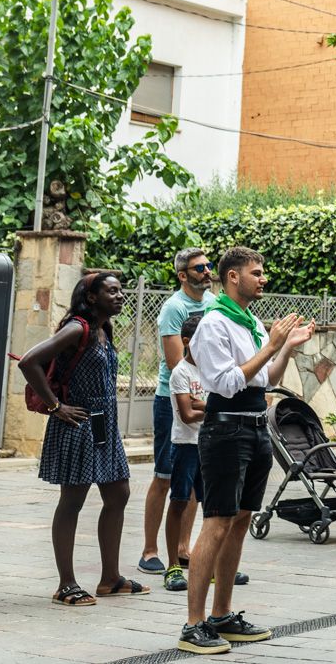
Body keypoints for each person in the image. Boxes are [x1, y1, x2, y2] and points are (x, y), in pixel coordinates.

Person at [179, 247, 313, 654]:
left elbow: (265, 379)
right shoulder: (214, 323)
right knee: (217, 521)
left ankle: (222, 614)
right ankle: (193, 624)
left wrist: (286, 345)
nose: (263, 278)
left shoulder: (249, 320)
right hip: (225, 429)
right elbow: (224, 382)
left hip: (255, 427)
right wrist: (270, 346)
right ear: (232, 277)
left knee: (240, 520)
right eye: (256, 272)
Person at [19, 271, 146, 606]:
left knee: (118, 491)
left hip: (104, 424)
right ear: (92, 297)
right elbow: (29, 362)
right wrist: (55, 405)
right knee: (72, 500)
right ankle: (66, 584)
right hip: (77, 422)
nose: (119, 296)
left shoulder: (104, 329)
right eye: (111, 291)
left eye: (121, 290)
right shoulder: (79, 328)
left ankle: (111, 579)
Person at [139, 247, 212, 576]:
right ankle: (150, 549)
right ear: (183, 275)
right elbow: (175, 362)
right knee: (165, 475)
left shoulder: (212, 304)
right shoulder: (173, 308)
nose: (207, 271)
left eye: (209, 265)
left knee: (194, 477)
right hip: (174, 398)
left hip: (205, 395)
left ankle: (183, 548)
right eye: (200, 268)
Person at [164, 315, 208, 593]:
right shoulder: (181, 372)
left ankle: (207, 563)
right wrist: (210, 406)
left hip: (208, 445)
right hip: (185, 445)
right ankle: (172, 565)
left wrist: (203, 404)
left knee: (213, 506)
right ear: (187, 342)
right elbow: (187, 414)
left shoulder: (212, 369)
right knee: (179, 502)